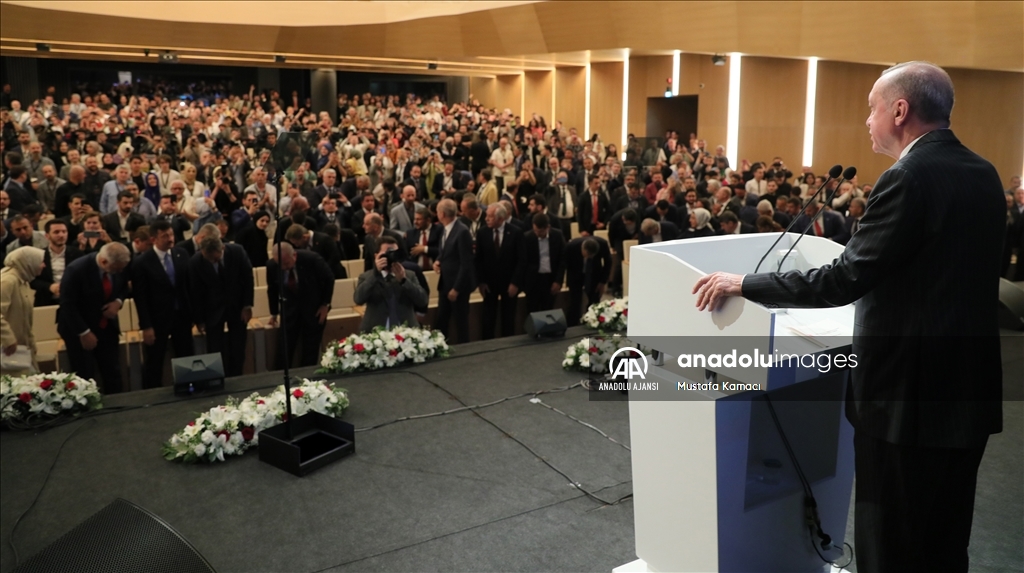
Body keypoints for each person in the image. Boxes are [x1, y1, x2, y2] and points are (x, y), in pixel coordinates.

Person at [692, 61, 1005, 573]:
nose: (867, 119)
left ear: (899, 110)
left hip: (905, 400)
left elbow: (844, 279)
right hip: (966, 392)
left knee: (891, 546)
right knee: (945, 541)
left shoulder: (907, 177)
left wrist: (743, 283)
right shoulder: (983, 173)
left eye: (872, 107)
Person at [58, 242, 132, 394]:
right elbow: (67, 305)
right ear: (104, 262)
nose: (119, 272)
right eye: (116, 269)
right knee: (84, 375)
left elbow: (124, 286)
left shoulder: (120, 265)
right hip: (79, 328)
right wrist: (84, 332)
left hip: (107, 326)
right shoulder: (76, 270)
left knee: (113, 372)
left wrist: (118, 302)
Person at [132, 219, 194, 389]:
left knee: (185, 355)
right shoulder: (142, 262)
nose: (170, 239)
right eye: (165, 236)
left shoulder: (181, 254)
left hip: (182, 316)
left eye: (171, 234)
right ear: (153, 239)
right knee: (155, 360)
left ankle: (188, 388)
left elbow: (189, 286)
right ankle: (153, 393)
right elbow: (140, 297)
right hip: (157, 320)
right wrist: (146, 326)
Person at [189, 235, 253, 377]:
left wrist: (247, 305)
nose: (212, 261)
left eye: (215, 258)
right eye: (209, 259)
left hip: (237, 306)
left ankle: (236, 378)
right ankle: (217, 379)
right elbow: (196, 293)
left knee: (237, 347)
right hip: (212, 310)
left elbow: (248, 279)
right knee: (215, 349)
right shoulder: (195, 262)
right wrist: (199, 320)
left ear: (222, 248)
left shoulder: (237, 252)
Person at [266, 242, 334, 368]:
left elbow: (329, 279)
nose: (283, 268)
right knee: (284, 350)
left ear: (294, 256)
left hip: (314, 309)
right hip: (289, 309)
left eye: (286, 263)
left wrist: (325, 304)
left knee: (310, 351)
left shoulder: (312, 259)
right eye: (280, 264)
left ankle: (306, 377)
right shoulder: (272, 266)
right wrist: (274, 313)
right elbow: (272, 290)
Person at [354, 235, 429, 332]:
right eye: (387, 253)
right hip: (375, 332)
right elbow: (358, 299)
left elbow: (422, 301)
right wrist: (376, 275)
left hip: (406, 332)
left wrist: (404, 280)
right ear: (376, 256)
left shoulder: (409, 275)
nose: (391, 257)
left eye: (394, 253)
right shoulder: (367, 277)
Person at [475, 203, 526, 339]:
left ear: (501, 218)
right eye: (487, 215)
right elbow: (478, 260)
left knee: (508, 318)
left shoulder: (516, 232)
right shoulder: (482, 233)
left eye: (490, 216)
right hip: (489, 284)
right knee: (488, 319)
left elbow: (522, 260)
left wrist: (515, 283)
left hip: (509, 283)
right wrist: (481, 282)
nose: (486, 219)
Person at [432, 198, 475, 343]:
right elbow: (445, 251)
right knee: (441, 320)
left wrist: (456, 288)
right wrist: (438, 260)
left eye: (437, 211)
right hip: (445, 283)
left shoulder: (462, 231)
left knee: (460, 322)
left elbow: (466, 263)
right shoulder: (445, 229)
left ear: (442, 214)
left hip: (458, 287)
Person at [1, 247, 45, 375]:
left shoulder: (23, 281)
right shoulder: (7, 281)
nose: (43, 265)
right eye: (40, 261)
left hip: (21, 351)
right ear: (29, 262)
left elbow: (25, 319)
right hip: (7, 352)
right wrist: (8, 339)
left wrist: (31, 344)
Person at [563, 236, 612, 326]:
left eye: (591, 256)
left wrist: (602, 282)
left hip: (594, 274)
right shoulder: (571, 246)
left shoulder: (603, 244)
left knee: (594, 300)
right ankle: (573, 325)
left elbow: (608, 263)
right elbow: (564, 264)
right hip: (575, 274)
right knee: (575, 302)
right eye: (587, 255)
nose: (589, 257)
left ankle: (593, 322)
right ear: (582, 248)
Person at [522, 213, 566, 313]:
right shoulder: (527, 237)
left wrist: (558, 281)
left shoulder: (557, 235)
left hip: (550, 280)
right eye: (535, 230)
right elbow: (523, 262)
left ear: (548, 227)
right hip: (533, 280)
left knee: (548, 311)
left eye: (540, 231)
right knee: (532, 311)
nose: (537, 234)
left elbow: (562, 259)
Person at [31, 219, 75, 306]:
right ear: (47, 236)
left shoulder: (76, 253)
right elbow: (32, 280)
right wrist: (49, 286)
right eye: (56, 232)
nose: (61, 235)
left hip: (72, 300)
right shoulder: (39, 255)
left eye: (64, 232)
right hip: (47, 301)